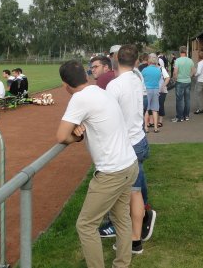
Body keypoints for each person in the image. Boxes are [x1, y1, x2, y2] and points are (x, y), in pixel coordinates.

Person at [56, 60, 139, 268]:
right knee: (121, 218)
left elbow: (61, 136)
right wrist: (78, 127)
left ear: (66, 85)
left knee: (85, 225)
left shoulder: (79, 98)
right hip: (129, 163)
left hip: (112, 171)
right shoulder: (101, 91)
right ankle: (122, 264)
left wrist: (77, 137)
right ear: (86, 76)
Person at [106, 45, 157, 253]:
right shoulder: (137, 79)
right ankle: (138, 232)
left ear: (117, 59)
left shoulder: (114, 85)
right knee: (135, 191)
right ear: (137, 62)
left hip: (126, 145)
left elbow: (108, 117)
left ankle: (133, 239)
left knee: (126, 196)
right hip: (139, 140)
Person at [172, 46, 195, 123]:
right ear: (186, 51)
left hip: (179, 82)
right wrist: (189, 76)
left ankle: (180, 117)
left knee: (179, 100)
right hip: (188, 81)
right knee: (187, 99)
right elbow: (193, 71)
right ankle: (186, 116)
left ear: (180, 52)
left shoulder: (177, 60)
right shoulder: (190, 60)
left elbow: (175, 72)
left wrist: (175, 78)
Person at [141, 54, 162, 133]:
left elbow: (142, 80)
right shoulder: (158, 70)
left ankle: (146, 127)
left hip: (147, 90)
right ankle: (156, 127)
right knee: (155, 109)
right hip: (155, 89)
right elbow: (159, 79)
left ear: (149, 60)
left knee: (146, 109)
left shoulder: (144, 70)